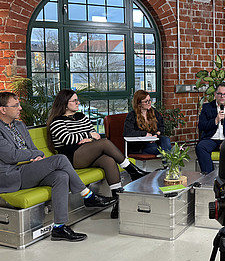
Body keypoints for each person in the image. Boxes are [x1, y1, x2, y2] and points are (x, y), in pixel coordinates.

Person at [0, 91, 113, 242]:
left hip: (29, 168)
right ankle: (88, 195)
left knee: (61, 176)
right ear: (3, 109)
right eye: (15, 105)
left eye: (19, 104)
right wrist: (32, 155)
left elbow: (34, 149)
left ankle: (59, 227)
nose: (20, 108)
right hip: (11, 176)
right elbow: (10, 156)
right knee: (60, 159)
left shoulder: (19, 125)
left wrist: (36, 155)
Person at [47, 89, 148, 219]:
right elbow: (68, 140)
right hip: (71, 158)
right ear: (65, 103)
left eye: (77, 100)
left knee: (108, 160)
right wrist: (87, 136)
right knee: (105, 143)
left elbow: (96, 135)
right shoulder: (57, 121)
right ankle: (131, 170)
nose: (78, 103)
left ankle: (117, 203)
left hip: (86, 152)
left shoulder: (81, 116)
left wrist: (87, 138)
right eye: (75, 101)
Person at [123, 90, 172, 156]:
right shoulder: (132, 116)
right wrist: (145, 134)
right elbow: (128, 132)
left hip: (154, 140)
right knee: (162, 150)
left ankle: (167, 165)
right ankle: (168, 164)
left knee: (166, 140)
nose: (149, 103)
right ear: (139, 103)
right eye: (146, 101)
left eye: (150, 100)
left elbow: (162, 126)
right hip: (141, 145)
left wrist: (157, 133)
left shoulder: (154, 112)